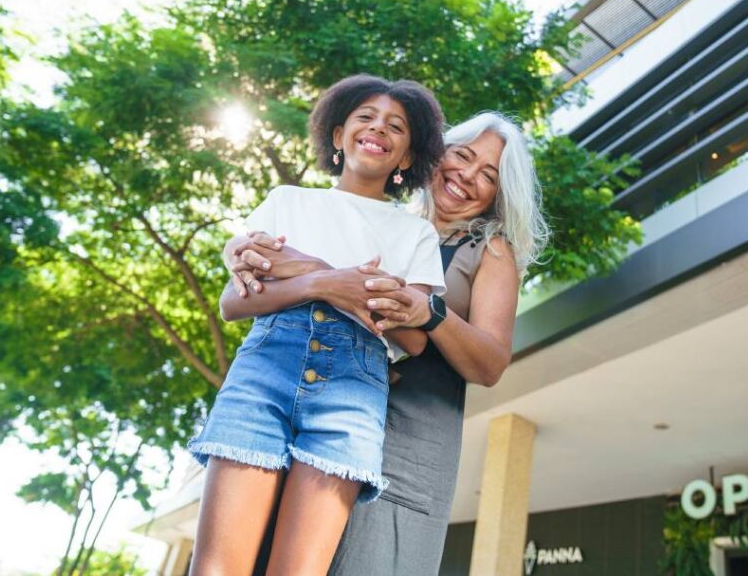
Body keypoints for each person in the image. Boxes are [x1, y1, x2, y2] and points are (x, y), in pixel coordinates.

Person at [225, 112, 549, 575]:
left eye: (489, 176)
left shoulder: (490, 251)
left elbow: (490, 363)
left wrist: (431, 313)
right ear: (436, 154)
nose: (467, 176)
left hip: (407, 442)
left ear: (499, 195)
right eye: (462, 156)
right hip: (325, 412)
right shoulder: (385, 222)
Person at [188, 74, 447, 576]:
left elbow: (415, 337)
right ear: (337, 134)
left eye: (396, 127)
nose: (378, 129)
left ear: (407, 158)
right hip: (263, 372)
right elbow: (233, 302)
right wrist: (326, 282)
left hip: (353, 390)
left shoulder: (416, 233)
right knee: (215, 569)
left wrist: (301, 265)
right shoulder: (287, 201)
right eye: (365, 118)